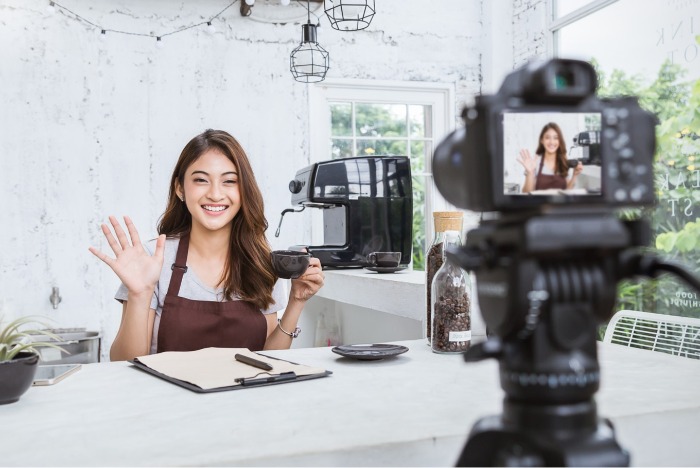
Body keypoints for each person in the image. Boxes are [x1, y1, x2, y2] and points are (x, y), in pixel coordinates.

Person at [89, 129, 324, 361]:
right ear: (180, 188)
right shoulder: (153, 260)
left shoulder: (259, 262)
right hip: (168, 399)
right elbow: (123, 363)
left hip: (246, 398)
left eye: (229, 181)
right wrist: (140, 294)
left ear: (244, 190)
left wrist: (296, 302)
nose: (215, 194)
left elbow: (269, 360)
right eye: (201, 180)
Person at [516, 122, 583, 193]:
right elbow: (526, 193)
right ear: (542, 140)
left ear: (559, 141)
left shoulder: (563, 162)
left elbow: (566, 191)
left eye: (556, 138)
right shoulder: (535, 162)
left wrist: (574, 176)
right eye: (547, 138)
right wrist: (530, 172)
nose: (552, 142)